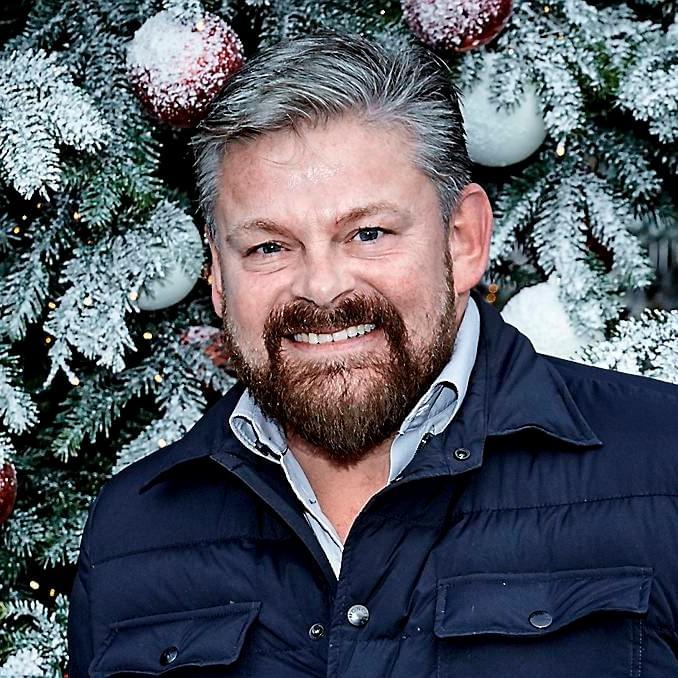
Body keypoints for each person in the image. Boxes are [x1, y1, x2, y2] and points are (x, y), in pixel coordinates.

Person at [67, 32, 678, 678]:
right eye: (269, 247)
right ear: (217, 274)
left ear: (464, 239)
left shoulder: (663, 469)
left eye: (368, 233)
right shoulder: (131, 533)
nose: (322, 288)